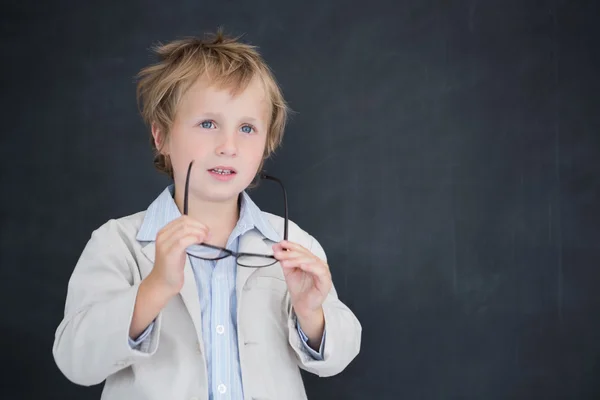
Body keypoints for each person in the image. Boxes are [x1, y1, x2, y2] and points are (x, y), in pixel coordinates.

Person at [52, 29, 361, 400]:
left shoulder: (295, 244)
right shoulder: (117, 243)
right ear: (161, 136)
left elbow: (339, 355)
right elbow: (76, 361)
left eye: (247, 128)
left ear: (265, 147)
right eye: (208, 124)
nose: (228, 146)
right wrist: (155, 287)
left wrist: (312, 313)